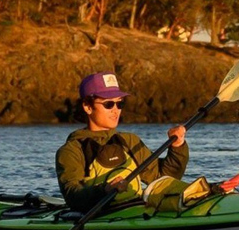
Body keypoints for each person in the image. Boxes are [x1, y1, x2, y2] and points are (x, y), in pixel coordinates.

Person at [56, 72, 188, 212]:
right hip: (101, 216)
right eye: (108, 104)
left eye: (120, 103)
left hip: (136, 212)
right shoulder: (72, 150)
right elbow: (73, 196)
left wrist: (177, 147)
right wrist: (105, 189)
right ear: (88, 107)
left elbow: (163, 178)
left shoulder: (129, 140)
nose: (116, 110)